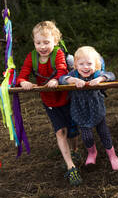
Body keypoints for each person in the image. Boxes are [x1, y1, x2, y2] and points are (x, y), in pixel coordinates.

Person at [16, 21, 82, 186]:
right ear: (34, 42)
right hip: (49, 100)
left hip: (66, 97)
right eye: (38, 43)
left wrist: (55, 79)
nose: (42, 46)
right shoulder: (32, 57)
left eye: (46, 42)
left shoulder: (58, 54)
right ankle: (71, 166)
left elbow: (61, 70)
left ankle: (75, 151)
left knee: (73, 131)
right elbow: (22, 74)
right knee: (60, 132)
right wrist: (23, 82)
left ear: (55, 41)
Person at [59, 46, 118, 171]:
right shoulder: (73, 75)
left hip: (97, 110)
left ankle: (112, 155)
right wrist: (73, 80)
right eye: (81, 64)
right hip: (80, 111)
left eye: (89, 63)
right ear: (75, 64)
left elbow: (111, 75)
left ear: (96, 65)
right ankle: (92, 153)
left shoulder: (96, 74)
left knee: (104, 133)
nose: (85, 67)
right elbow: (61, 79)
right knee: (87, 136)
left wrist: (100, 79)